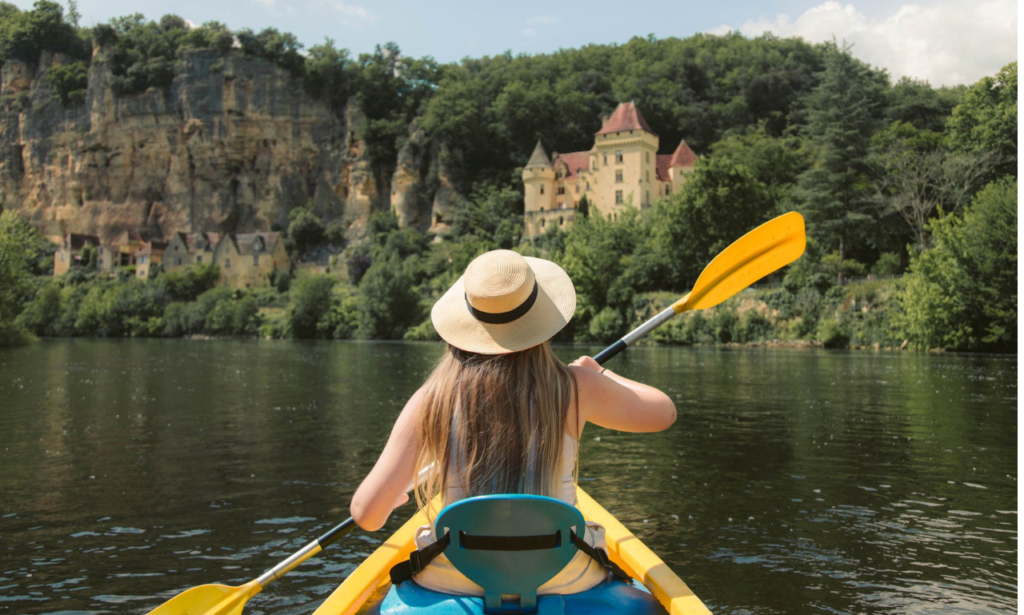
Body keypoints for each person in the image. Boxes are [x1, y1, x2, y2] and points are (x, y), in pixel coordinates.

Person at [350, 249, 676, 595]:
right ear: (539, 322)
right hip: (562, 576)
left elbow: (367, 514)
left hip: (455, 578)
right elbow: (664, 412)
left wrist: (395, 497)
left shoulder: (432, 398)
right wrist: (599, 374)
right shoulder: (576, 387)